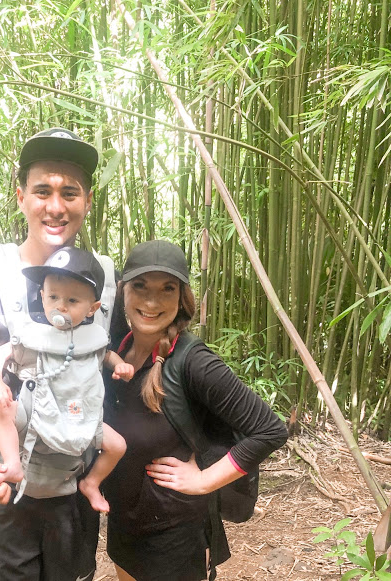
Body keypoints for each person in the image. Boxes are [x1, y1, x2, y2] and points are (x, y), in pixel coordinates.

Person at [0, 127, 121, 580]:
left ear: (87, 201)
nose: (56, 206)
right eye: (42, 191)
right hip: (4, 489)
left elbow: (133, 349)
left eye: (69, 192)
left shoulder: (104, 285)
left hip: (73, 489)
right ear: (21, 197)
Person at [102, 240, 289, 581]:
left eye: (167, 289)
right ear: (121, 290)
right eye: (140, 286)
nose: (151, 301)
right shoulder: (116, 352)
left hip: (174, 536)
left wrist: (204, 481)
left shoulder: (193, 361)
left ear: (182, 297)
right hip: (123, 525)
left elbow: (270, 430)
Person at [0, 246, 133, 511]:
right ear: (42, 296)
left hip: (81, 416)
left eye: (72, 301)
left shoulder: (93, 338)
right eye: (53, 296)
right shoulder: (33, 335)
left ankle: (91, 483)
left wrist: (120, 365)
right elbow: (1, 353)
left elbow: (106, 355)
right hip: (35, 411)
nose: (60, 306)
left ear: (92, 308)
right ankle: (13, 465)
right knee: (2, 410)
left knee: (118, 446)